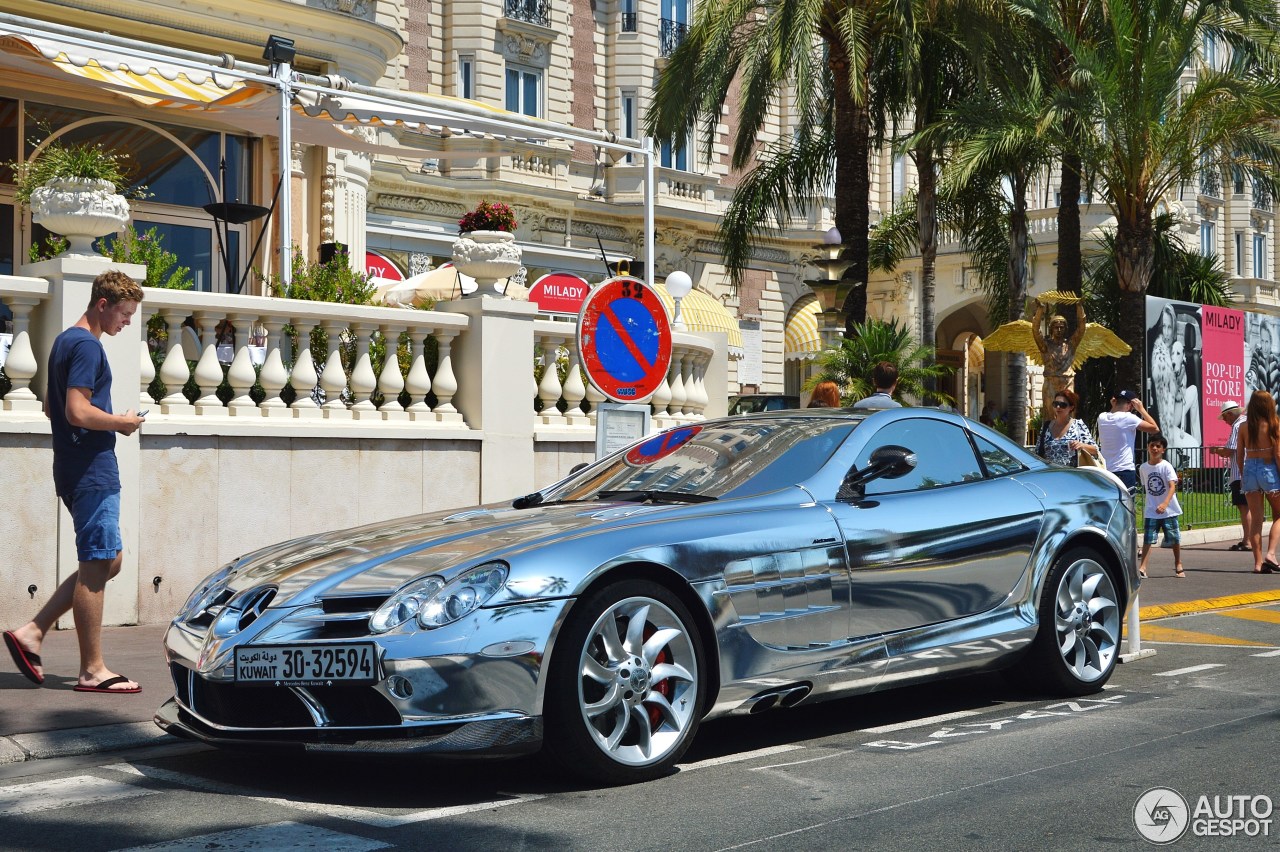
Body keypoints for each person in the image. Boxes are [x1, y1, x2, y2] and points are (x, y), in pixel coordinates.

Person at [3, 270, 147, 693]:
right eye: (124, 313)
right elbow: (75, 411)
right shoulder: (86, 345)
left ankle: (34, 630)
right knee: (98, 562)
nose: (126, 322)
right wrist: (120, 422)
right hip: (91, 468)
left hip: (71, 465)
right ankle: (92, 671)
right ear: (102, 304)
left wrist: (95, 417)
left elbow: (52, 406)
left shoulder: (66, 340)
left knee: (109, 560)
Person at [1234, 390, 1280, 574]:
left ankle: (1258, 563)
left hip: (1249, 469)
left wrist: (1245, 474)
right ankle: (1271, 554)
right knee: (1278, 514)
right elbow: (1277, 454)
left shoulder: (1244, 426)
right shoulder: (1274, 424)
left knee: (1256, 520)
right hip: (1269, 468)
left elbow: (1239, 455)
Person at [1138, 433, 1184, 579]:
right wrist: (1155, 505)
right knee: (1148, 539)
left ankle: (1178, 564)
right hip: (1152, 510)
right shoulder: (1143, 468)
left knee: (1174, 539)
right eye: (1152, 445)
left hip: (1168, 511)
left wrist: (1165, 503)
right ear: (1148, 447)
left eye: (1158, 446)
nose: (1155, 448)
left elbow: (1172, 486)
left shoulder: (1166, 466)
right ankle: (1143, 567)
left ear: (1163, 449)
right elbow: (1147, 488)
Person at [1097, 389, 1160, 491]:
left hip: (1106, 470)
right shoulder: (1129, 418)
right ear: (1131, 405)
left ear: (1115, 401)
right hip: (1124, 469)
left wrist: (1114, 406)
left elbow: (1113, 413)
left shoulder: (1102, 417)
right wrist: (1142, 409)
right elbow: (1155, 429)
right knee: (1127, 505)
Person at [1032, 300, 1085, 412]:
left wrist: (1079, 307)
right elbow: (1036, 331)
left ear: (1065, 329)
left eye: (1062, 327)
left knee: (1070, 413)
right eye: (1056, 327)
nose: (1059, 330)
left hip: (1067, 382)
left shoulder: (1070, 345)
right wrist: (1040, 310)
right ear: (1051, 329)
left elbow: (1081, 329)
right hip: (1051, 382)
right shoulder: (1045, 345)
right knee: (1050, 415)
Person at [1211, 401, 1250, 552]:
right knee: (1248, 506)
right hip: (1249, 470)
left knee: (1244, 507)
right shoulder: (1247, 423)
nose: (1225, 422)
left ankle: (1248, 541)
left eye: (1225, 418)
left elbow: (1230, 450)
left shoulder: (1237, 425)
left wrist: (1216, 450)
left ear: (1229, 414)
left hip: (1240, 472)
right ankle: (1248, 538)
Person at [1034, 388, 1100, 467]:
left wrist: (1081, 445)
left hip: (1072, 475)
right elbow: (1037, 452)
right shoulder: (1046, 426)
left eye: (1062, 405)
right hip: (1050, 475)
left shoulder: (1078, 425)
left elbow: (1095, 450)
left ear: (1071, 407)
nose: (1058, 407)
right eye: (1055, 404)